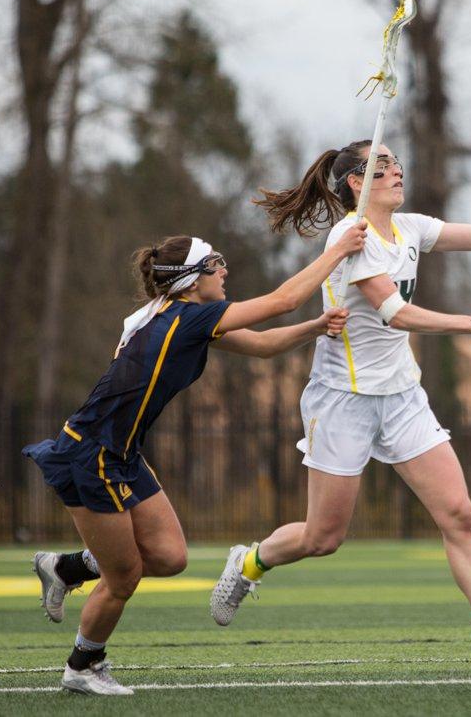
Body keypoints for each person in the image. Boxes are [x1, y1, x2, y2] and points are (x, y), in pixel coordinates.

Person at [208, 139, 471, 682]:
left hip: (402, 396)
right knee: (322, 538)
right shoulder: (346, 237)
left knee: (459, 515)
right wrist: (468, 324)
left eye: (399, 162)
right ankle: (250, 561)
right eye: (383, 166)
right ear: (356, 182)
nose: (398, 171)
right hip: (343, 399)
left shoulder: (412, 228)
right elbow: (394, 313)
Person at [26, 225, 367, 695]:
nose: (225, 271)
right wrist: (340, 250)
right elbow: (285, 298)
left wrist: (316, 327)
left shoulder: (182, 318)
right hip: (91, 454)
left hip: (122, 453)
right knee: (123, 578)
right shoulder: (187, 320)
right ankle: (83, 666)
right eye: (217, 264)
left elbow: (265, 346)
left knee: (169, 557)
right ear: (192, 277)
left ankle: (67, 568)